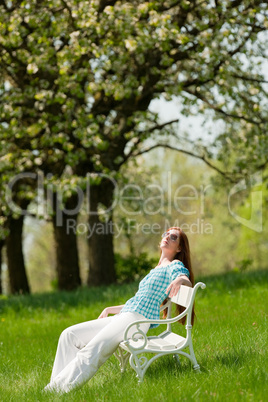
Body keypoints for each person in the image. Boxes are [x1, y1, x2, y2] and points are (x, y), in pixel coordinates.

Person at [44, 227, 194, 393]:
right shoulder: (155, 270)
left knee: (93, 349)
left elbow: (185, 278)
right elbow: (139, 301)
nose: (167, 237)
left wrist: (180, 280)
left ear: (179, 248)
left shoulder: (173, 265)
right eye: (166, 234)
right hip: (126, 316)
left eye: (173, 237)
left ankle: (54, 391)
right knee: (69, 335)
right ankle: (55, 387)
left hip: (136, 321)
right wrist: (111, 309)